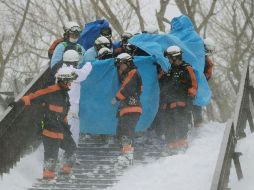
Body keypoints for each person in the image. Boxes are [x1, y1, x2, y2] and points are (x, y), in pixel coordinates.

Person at [10, 67, 78, 180]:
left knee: (71, 148)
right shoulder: (51, 91)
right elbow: (34, 96)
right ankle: (48, 179)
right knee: (51, 156)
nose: (70, 84)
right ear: (62, 80)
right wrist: (19, 103)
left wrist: (67, 128)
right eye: (68, 81)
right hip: (50, 130)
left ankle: (65, 173)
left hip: (61, 130)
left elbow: (64, 114)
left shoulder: (65, 95)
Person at [162, 45, 197, 154]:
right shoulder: (169, 70)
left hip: (182, 103)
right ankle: (171, 145)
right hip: (169, 104)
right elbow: (165, 87)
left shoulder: (186, 68)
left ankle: (182, 144)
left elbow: (193, 84)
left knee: (181, 123)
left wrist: (189, 99)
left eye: (169, 57)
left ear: (175, 57)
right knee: (169, 124)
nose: (168, 59)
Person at [112, 53, 142, 165]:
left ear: (128, 63)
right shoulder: (126, 73)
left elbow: (127, 88)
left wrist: (116, 97)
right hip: (126, 108)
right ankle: (125, 154)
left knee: (126, 131)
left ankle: (128, 156)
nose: (120, 67)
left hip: (132, 108)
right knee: (121, 131)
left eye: (121, 65)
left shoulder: (133, 73)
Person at [61, 50, 92, 145]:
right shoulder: (70, 72)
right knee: (70, 131)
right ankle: (67, 154)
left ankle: (70, 154)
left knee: (71, 131)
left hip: (68, 106)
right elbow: (83, 73)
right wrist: (89, 63)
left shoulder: (61, 71)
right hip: (69, 106)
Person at [192, 38, 215, 128]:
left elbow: (208, 73)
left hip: (198, 83)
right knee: (194, 103)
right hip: (193, 82)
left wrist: (202, 79)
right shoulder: (198, 57)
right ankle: (196, 123)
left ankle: (198, 123)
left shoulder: (206, 60)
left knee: (197, 104)